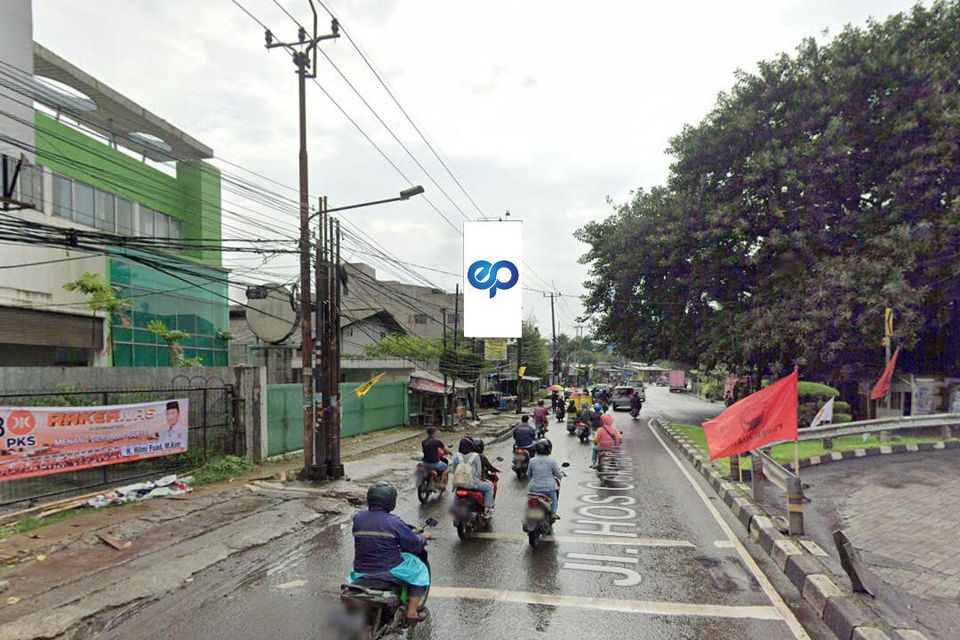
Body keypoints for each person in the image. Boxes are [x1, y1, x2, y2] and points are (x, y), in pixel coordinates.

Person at [349, 482, 430, 627]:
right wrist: (423, 538)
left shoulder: (358, 518)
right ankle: (412, 612)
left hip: (361, 571)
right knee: (420, 569)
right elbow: (413, 543)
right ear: (391, 501)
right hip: (388, 570)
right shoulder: (394, 522)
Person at [450, 437, 495, 515]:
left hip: (459, 484)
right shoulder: (475, 456)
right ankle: (486, 511)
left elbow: (453, 471)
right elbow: (478, 472)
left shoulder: (456, 456)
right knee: (489, 487)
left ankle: (455, 509)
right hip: (473, 484)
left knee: (457, 491)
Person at [527, 439, 564, 518]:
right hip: (549, 489)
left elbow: (529, 475)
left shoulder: (532, 461)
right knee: (554, 500)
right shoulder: (552, 461)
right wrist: (562, 475)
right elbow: (558, 475)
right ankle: (553, 513)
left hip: (534, 489)